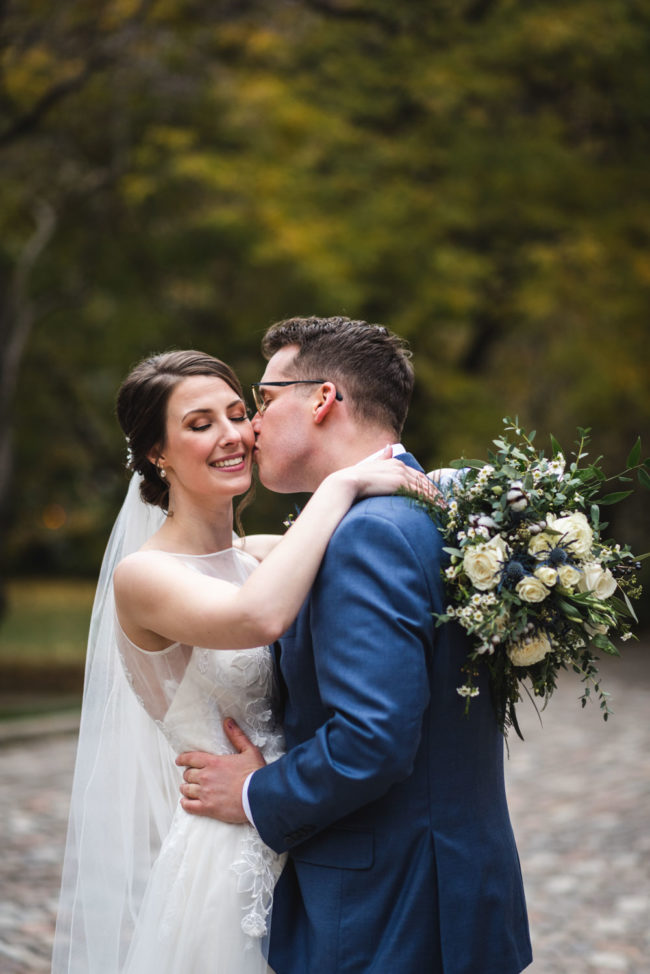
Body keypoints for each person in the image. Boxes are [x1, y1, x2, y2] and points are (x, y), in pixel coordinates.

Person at [52, 349, 433, 974]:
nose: (233, 435)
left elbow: (388, 556)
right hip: (226, 850)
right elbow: (257, 619)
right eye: (200, 424)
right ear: (157, 453)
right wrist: (341, 483)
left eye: (237, 412)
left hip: (299, 830)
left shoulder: (255, 556)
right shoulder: (144, 577)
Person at [178, 317, 533, 974]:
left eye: (262, 399)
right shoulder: (442, 506)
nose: (251, 427)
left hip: (389, 912)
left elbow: (373, 738)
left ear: (321, 399)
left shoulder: (369, 531)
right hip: (450, 889)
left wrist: (258, 793)